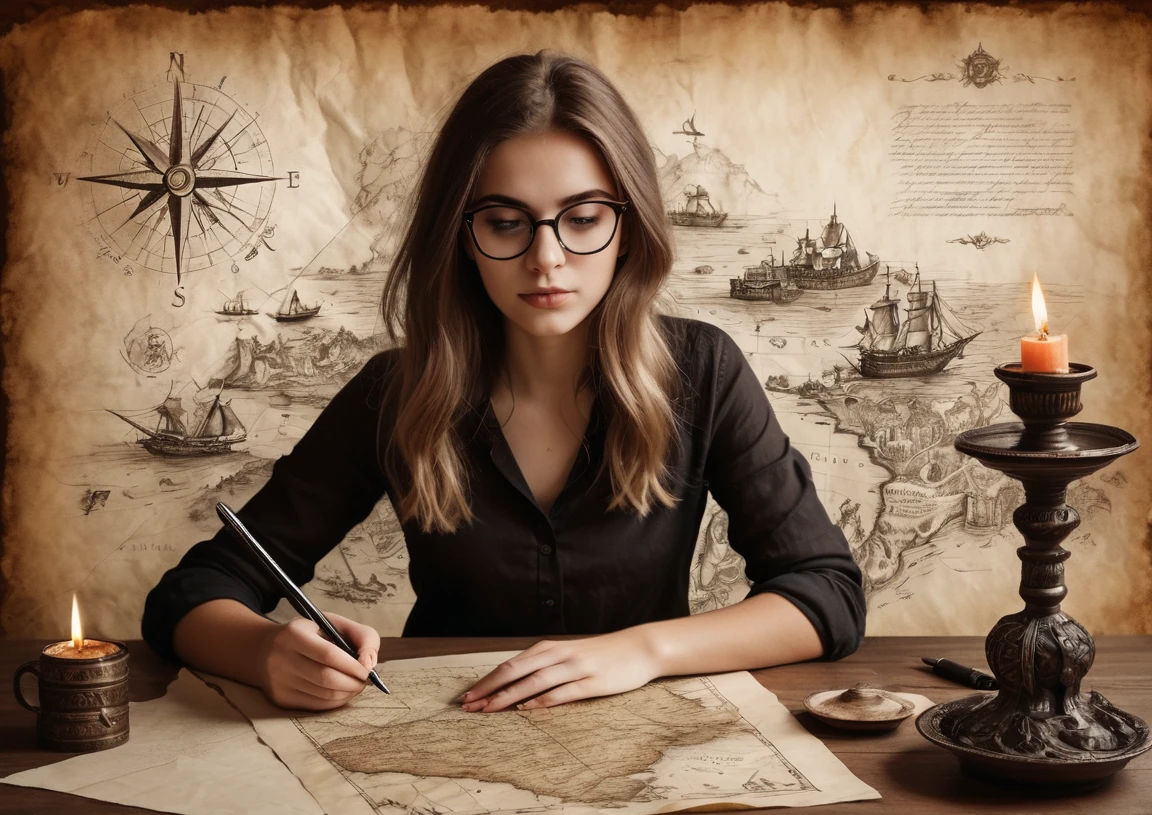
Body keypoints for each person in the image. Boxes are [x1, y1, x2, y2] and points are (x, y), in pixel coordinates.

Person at [142, 50, 865, 714]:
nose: (546, 258)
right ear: (461, 234)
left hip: (650, 761)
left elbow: (825, 593)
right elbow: (193, 594)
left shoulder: (703, 371)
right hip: (446, 749)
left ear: (630, 224)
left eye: (582, 218)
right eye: (505, 222)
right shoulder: (394, 392)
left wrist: (644, 651)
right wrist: (267, 651)